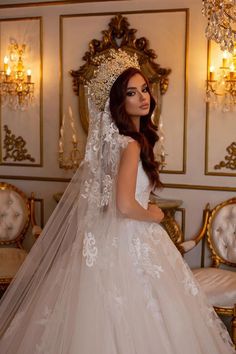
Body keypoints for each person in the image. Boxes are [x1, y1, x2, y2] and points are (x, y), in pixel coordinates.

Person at [0, 49, 235, 354]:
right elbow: (124, 205)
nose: (143, 98)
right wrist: (154, 216)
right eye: (131, 93)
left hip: (107, 238)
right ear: (119, 102)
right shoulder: (131, 145)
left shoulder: (115, 145)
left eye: (145, 90)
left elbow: (109, 199)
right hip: (132, 237)